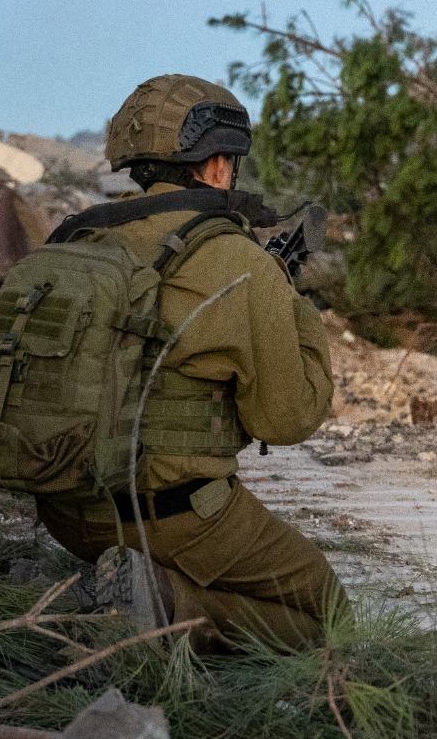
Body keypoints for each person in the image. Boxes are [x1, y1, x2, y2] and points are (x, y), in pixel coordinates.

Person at [34, 74, 345, 652]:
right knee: (326, 613)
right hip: (170, 518)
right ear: (219, 165)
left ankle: (81, 587)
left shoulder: (76, 240)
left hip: (66, 508)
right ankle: (166, 605)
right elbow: (288, 418)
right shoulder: (235, 257)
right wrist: (285, 295)